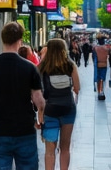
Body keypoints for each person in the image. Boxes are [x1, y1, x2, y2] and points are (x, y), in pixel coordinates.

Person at [0, 21, 45, 170]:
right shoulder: (31, 68)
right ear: (20, 41)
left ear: (2, 39)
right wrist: (41, 120)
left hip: (0, 132)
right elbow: (39, 101)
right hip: (25, 131)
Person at [37, 38, 80, 170]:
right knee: (65, 148)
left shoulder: (42, 67)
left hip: (49, 111)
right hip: (68, 109)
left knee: (50, 150)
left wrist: (39, 112)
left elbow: (37, 90)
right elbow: (77, 88)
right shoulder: (70, 65)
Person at [93, 34, 110, 100]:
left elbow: (93, 57)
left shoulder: (95, 48)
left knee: (98, 79)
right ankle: (102, 91)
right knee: (103, 79)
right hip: (105, 65)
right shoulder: (107, 49)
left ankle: (98, 92)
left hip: (98, 65)